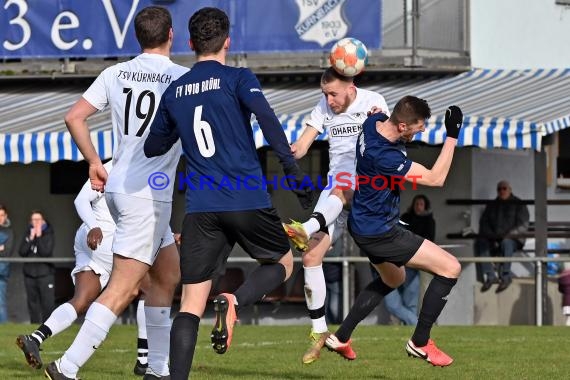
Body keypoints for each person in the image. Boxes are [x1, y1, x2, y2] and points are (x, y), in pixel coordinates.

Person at [143, 7, 313, 379]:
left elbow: (153, 146)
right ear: (227, 41)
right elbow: (267, 120)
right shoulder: (238, 78)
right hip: (246, 199)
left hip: (201, 208)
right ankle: (236, 301)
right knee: (283, 263)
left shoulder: (175, 91)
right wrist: (293, 171)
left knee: (190, 303)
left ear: (190, 44)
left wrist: (177, 125)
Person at [46, 6, 186, 380]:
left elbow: (74, 116)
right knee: (122, 288)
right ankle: (66, 366)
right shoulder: (182, 78)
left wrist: (93, 161)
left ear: (137, 37)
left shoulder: (114, 73)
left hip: (123, 186)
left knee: (167, 275)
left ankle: (157, 369)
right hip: (147, 194)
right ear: (170, 35)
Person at [324, 96, 463, 367]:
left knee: (394, 278)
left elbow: (377, 113)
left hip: (363, 224)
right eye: (418, 127)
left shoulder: (373, 122)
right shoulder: (383, 156)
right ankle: (420, 342)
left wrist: (379, 112)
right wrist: (452, 135)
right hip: (380, 231)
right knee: (450, 267)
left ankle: (341, 337)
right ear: (401, 126)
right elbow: (436, 178)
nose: (421, 131)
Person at [282, 66, 389, 364]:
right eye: (324, 94)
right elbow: (304, 144)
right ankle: (319, 331)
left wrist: (379, 122)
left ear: (351, 86)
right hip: (336, 194)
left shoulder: (373, 101)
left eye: (333, 94)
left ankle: (304, 227)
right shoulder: (323, 107)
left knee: (394, 274)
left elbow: (389, 140)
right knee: (311, 258)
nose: (329, 100)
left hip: (366, 186)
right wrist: (291, 149)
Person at [15, 162, 149, 376]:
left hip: (86, 236)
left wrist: (91, 225)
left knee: (81, 299)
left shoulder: (109, 164)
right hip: (107, 236)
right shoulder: (138, 165)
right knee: (146, 289)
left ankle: (36, 337)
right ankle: (144, 358)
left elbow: (81, 200)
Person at [383, 195, 435, 325]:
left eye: (421, 204)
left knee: (410, 301)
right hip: (399, 262)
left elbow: (429, 239)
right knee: (395, 303)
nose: (418, 207)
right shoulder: (405, 218)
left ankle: (412, 330)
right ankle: (415, 324)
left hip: (414, 263)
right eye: (416, 204)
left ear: (425, 206)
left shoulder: (429, 220)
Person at [475, 180, 529, 293]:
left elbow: (522, 225)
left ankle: (506, 277)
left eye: (504, 188)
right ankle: (490, 276)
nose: (502, 191)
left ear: (510, 190)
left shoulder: (519, 204)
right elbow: (484, 223)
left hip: (514, 239)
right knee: (481, 242)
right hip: (495, 238)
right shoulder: (492, 205)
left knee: (507, 242)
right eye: (499, 189)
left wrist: (506, 236)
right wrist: (492, 236)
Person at [19, 210, 55, 324]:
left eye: (38, 219)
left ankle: (47, 328)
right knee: (32, 303)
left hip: (45, 274)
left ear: (43, 220)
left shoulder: (49, 233)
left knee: (47, 304)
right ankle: (34, 327)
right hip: (29, 274)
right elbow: (22, 252)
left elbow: (46, 252)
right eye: (34, 220)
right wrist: (30, 238)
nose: (36, 222)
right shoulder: (28, 233)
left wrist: (39, 237)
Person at [0, 204, 14, 323]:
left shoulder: (9, 232)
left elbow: (7, 251)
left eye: (2, 215)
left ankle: (3, 328)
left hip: (2, 272)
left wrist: (3, 248)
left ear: (6, 216)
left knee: (1, 303)